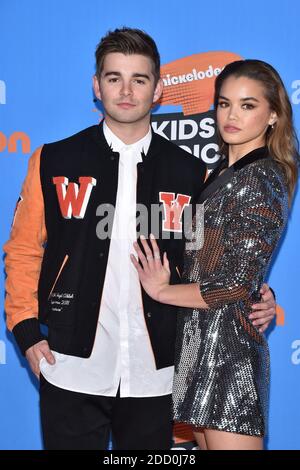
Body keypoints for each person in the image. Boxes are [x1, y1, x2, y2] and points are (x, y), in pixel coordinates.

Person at [4, 28, 275, 450]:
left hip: (159, 375)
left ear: (159, 89)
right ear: (97, 86)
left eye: (139, 79)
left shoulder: (192, 174)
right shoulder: (53, 159)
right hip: (70, 367)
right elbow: (22, 251)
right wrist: (25, 330)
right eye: (114, 78)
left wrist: (258, 294)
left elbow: (218, 263)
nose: (126, 91)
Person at [131, 59, 299, 450]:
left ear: (273, 114)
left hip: (229, 357)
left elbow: (234, 283)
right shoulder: (222, 172)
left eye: (247, 105)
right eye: (224, 104)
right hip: (199, 349)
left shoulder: (262, 177)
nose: (232, 115)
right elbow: (233, 264)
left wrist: (162, 291)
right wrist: (261, 291)